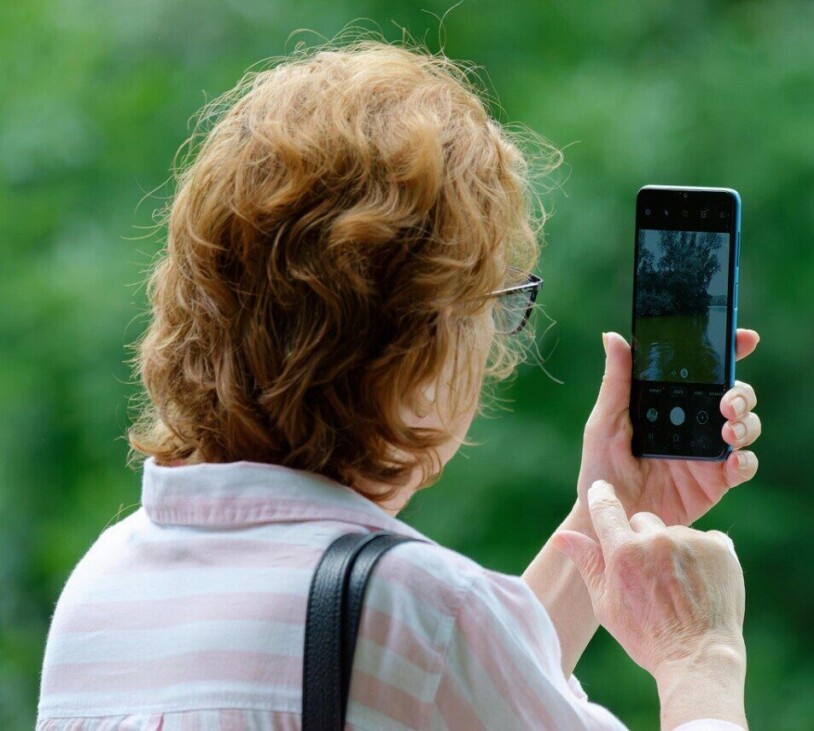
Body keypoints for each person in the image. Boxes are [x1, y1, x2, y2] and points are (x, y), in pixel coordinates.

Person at [36, 39, 762, 730]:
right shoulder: (417, 616)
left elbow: (438, 692)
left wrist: (609, 509)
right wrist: (701, 658)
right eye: (492, 302)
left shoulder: (101, 589)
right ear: (418, 338)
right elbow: (434, 662)